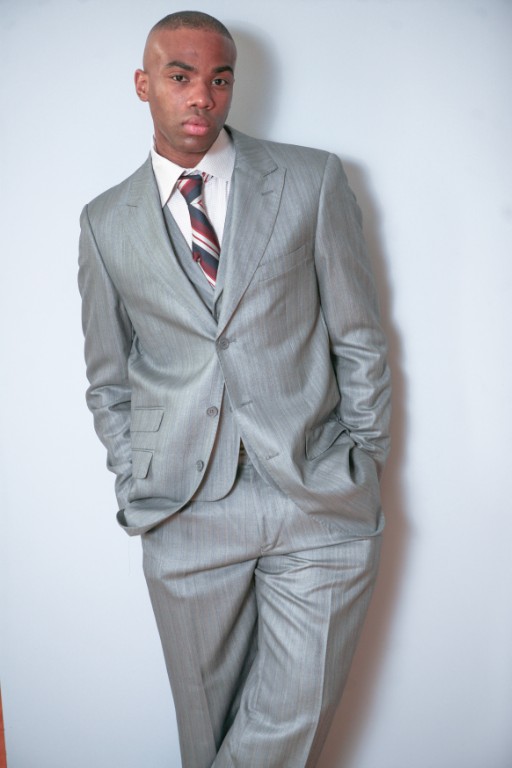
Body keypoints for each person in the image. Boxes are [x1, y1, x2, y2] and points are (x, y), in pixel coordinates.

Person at [78, 10, 391, 768]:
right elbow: (108, 377)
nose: (202, 96)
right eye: (181, 76)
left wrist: (362, 456)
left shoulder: (312, 180)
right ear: (143, 85)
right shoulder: (104, 222)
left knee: (288, 723)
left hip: (315, 496)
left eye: (220, 79)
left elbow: (359, 334)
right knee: (206, 737)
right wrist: (137, 479)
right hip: (184, 509)